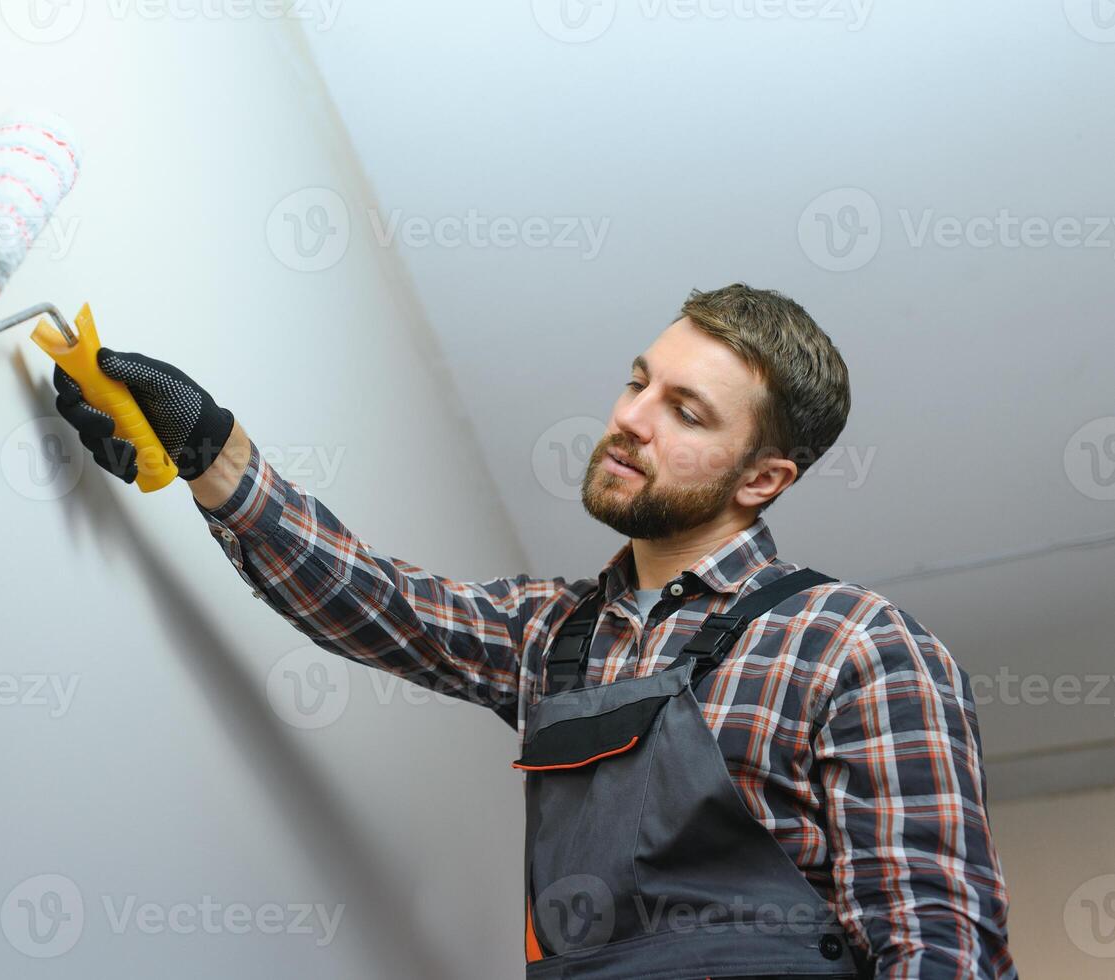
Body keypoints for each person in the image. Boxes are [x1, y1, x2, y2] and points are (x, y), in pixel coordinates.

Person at [53, 282, 1017, 978]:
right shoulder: (549, 633)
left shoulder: (854, 643)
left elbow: (938, 938)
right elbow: (378, 603)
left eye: (682, 410)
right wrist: (205, 448)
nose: (630, 419)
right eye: (638, 382)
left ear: (761, 480)